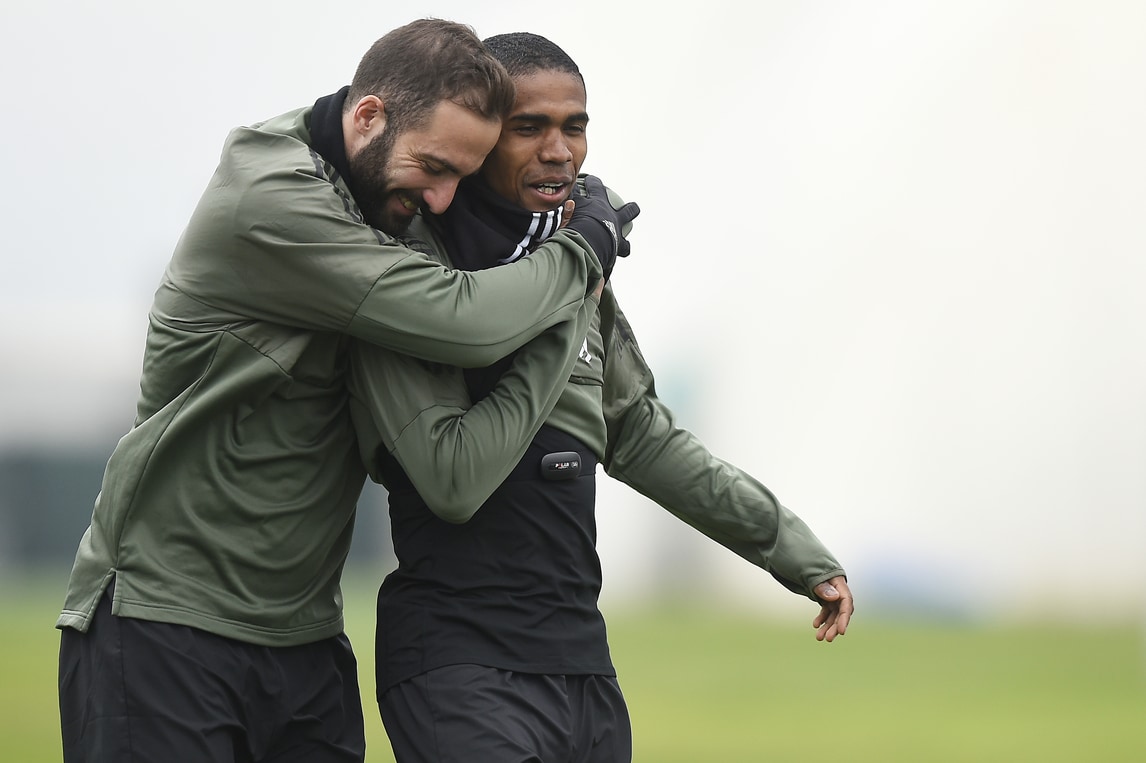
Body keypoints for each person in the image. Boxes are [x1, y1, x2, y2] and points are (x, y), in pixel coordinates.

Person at [55, 19, 639, 763]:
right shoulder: (273, 194)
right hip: (164, 624)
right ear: (368, 116)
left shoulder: (379, 198)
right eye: (434, 167)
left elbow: (633, 421)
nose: (441, 200)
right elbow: (463, 322)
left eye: (461, 178)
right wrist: (583, 247)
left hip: (306, 642)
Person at [347, 32, 852, 763]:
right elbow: (449, 478)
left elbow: (641, 433)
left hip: (583, 668)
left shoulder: (579, 268)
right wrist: (579, 268)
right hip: (458, 663)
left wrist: (792, 548)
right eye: (528, 128)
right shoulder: (411, 272)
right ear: (479, 140)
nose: (559, 151)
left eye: (574, 127)